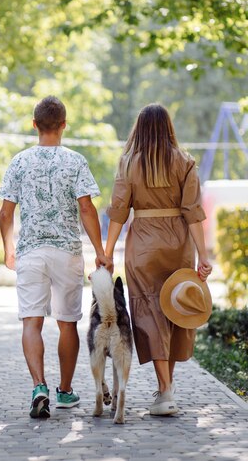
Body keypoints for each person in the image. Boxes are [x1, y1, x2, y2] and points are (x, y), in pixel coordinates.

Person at [0, 96, 110, 419]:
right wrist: (101, 251)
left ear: (35, 125)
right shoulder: (75, 162)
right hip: (67, 253)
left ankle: (38, 387)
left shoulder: (19, 162)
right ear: (63, 125)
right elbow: (86, 209)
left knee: (31, 322)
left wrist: (8, 247)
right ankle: (64, 390)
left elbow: (6, 212)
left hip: (31, 252)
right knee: (67, 323)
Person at [104, 103, 212, 416]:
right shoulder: (184, 161)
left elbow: (118, 212)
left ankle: (165, 390)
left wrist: (107, 253)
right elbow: (193, 214)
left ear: (140, 127)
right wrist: (203, 256)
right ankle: (166, 389)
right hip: (178, 243)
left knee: (150, 311)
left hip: (143, 245)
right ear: (167, 127)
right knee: (175, 308)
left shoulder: (129, 162)